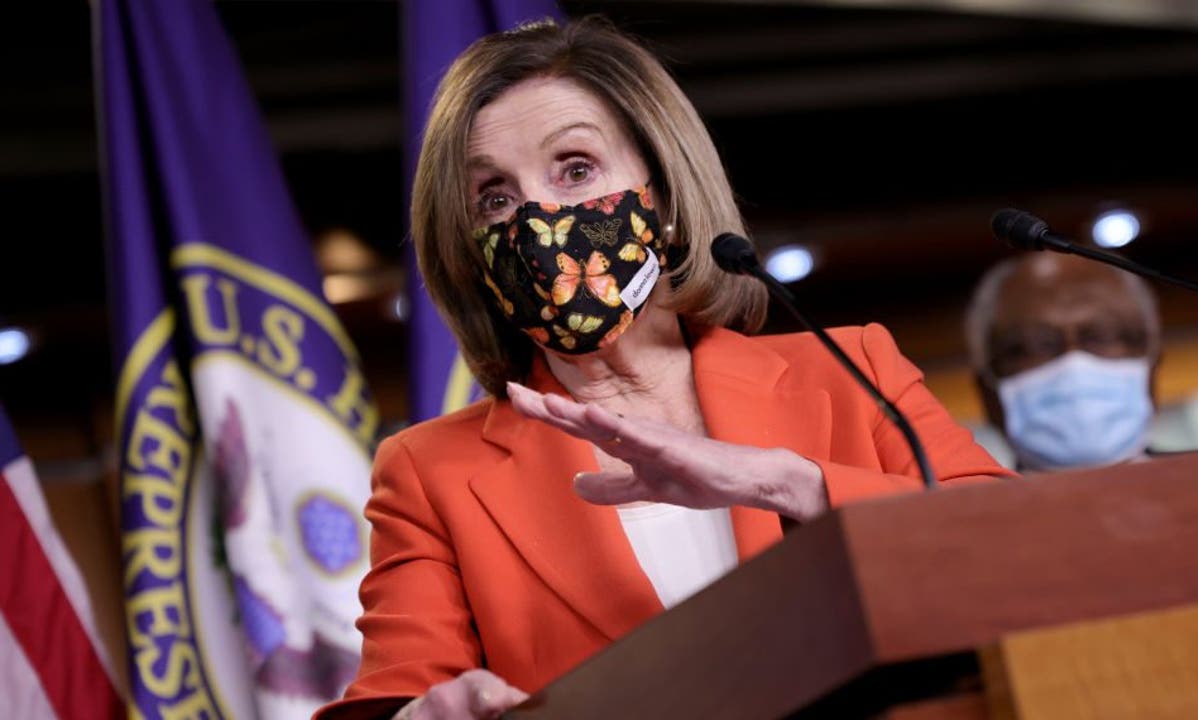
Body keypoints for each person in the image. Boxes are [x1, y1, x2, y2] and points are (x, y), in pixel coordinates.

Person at [316, 17, 1012, 720]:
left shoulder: (852, 370)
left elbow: (1019, 547)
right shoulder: (429, 474)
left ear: (667, 197)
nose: (538, 221)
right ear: (469, 251)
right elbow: (394, 699)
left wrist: (785, 482)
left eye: (576, 169)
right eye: (495, 197)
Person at [964, 251, 1161, 473]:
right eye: (1037, 344)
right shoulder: (966, 498)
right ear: (986, 392)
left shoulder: (1197, 483)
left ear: (1153, 369)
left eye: (1102, 336)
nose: (1074, 362)